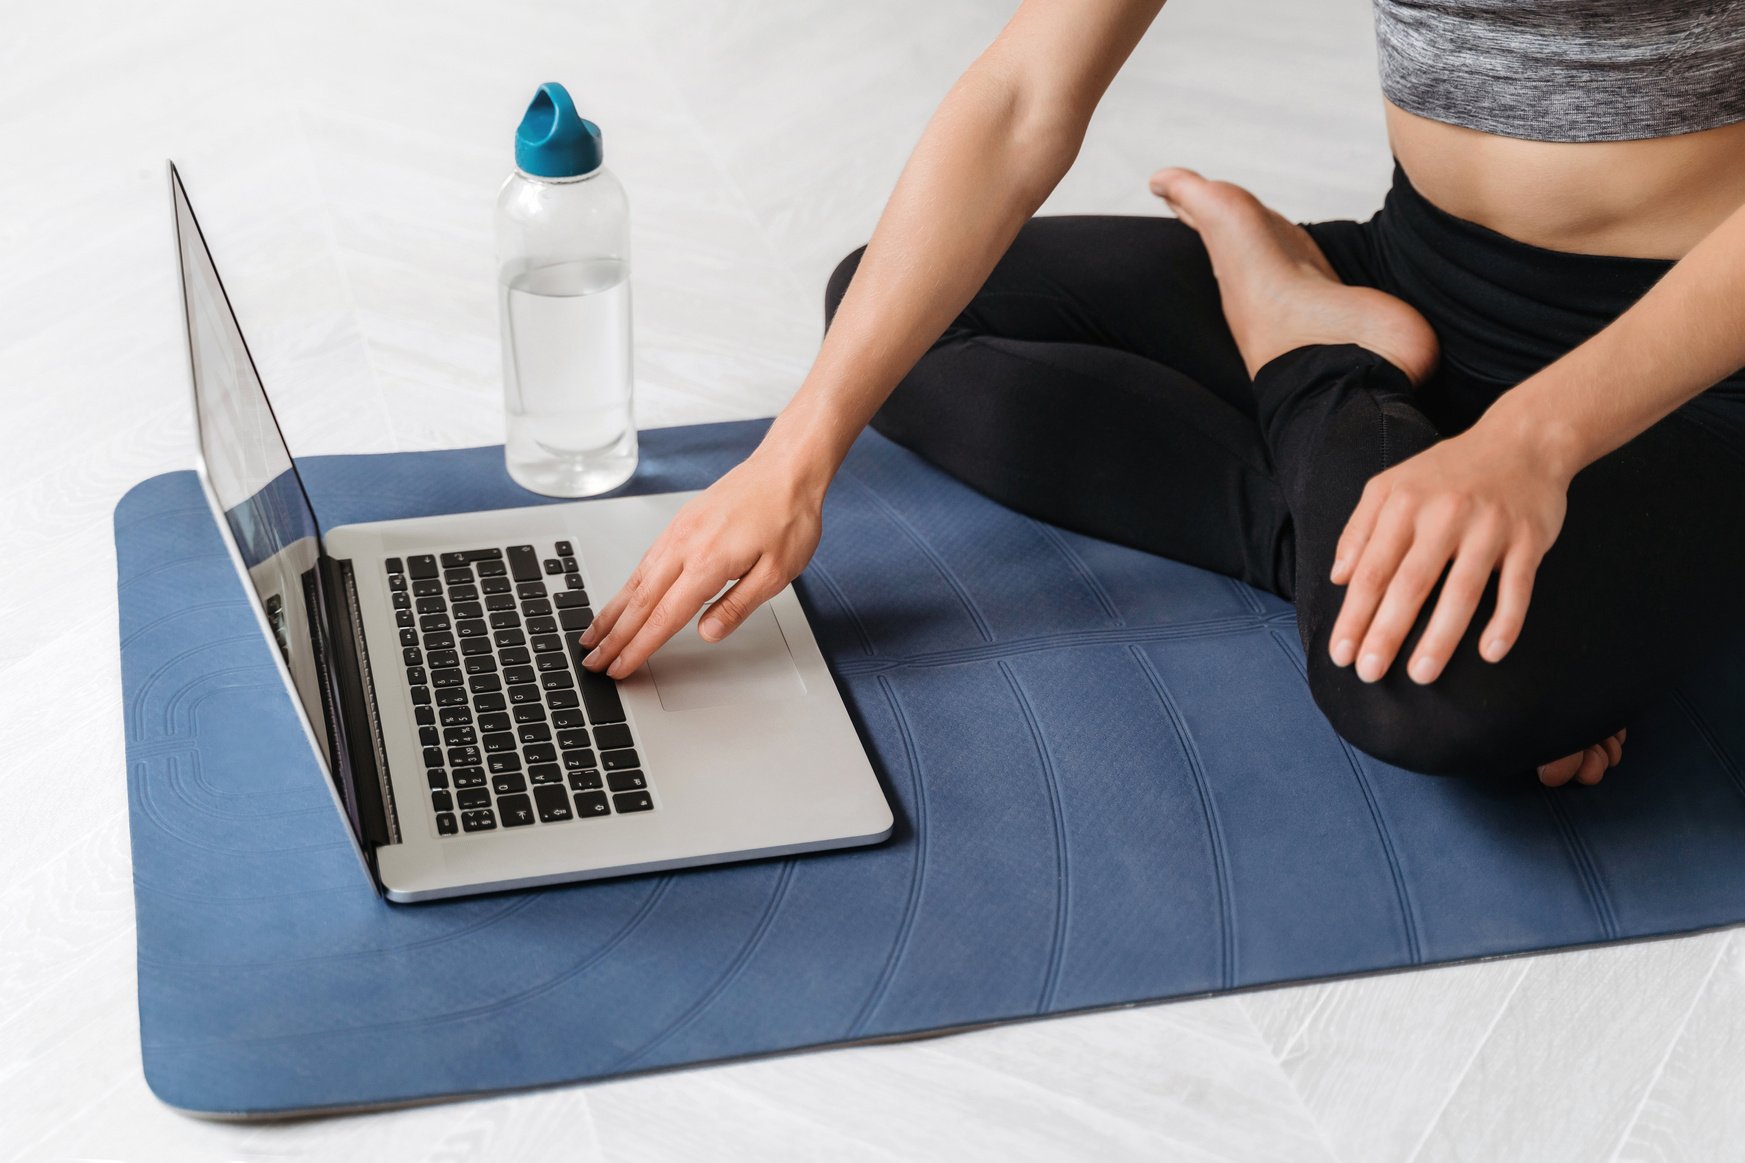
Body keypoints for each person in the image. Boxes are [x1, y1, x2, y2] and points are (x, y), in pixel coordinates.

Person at [577, 0, 1745, 789]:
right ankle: (1340, 408)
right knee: (905, 317)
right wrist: (793, 456)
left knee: (1418, 690)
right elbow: (1023, 92)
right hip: (1420, 276)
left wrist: (1534, 442)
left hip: (1687, 375)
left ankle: (1314, 362)